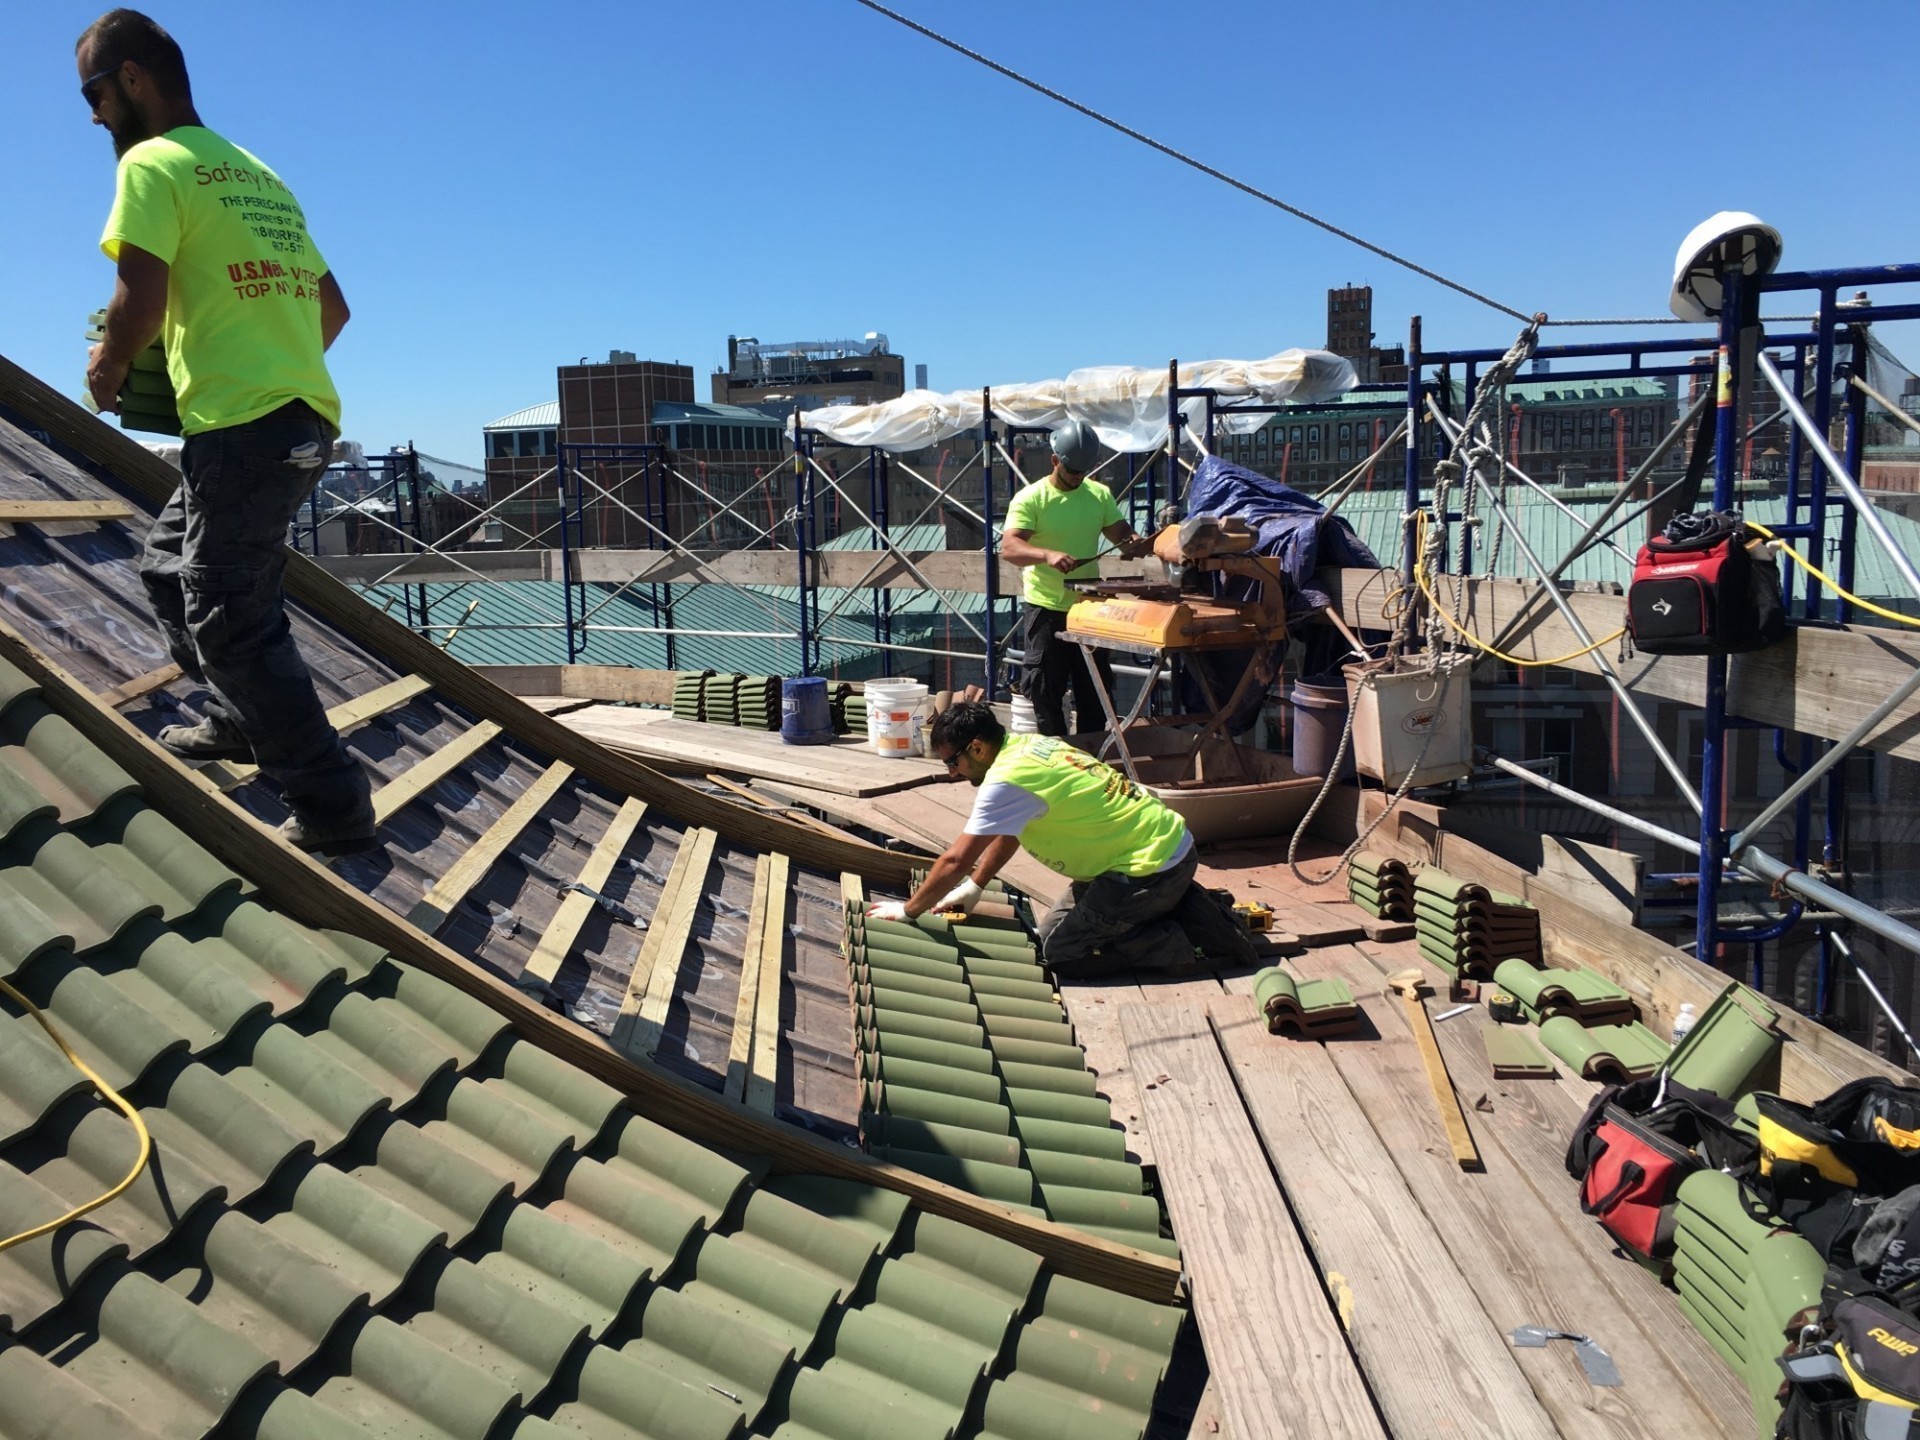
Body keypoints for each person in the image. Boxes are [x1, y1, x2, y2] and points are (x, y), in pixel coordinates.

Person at [78, 10, 375, 854]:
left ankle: (334, 808)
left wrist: (107, 370)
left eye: (93, 94)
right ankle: (237, 720)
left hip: (244, 428)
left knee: (229, 612)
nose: (93, 115)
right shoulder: (255, 173)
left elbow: (139, 295)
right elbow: (334, 309)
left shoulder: (153, 162)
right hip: (295, 417)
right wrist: (261, 359)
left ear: (133, 78)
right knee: (170, 568)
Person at [866, 702, 1257, 978]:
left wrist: (909, 912)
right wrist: (975, 885)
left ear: (978, 748)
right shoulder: (1030, 746)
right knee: (1048, 934)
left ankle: (1192, 938)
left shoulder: (1004, 781)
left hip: (1148, 870)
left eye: (953, 762)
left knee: (1064, 955)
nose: (952, 772)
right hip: (1154, 850)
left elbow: (954, 859)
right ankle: (1179, 903)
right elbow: (1011, 830)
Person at [1000, 419, 1151, 737]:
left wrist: (1136, 544)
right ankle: (1057, 760)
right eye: (1073, 472)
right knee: (1044, 692)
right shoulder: (1032, 498)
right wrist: (1047, 555)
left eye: (1084, 472)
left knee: (1095, 695)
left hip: (1087, 610)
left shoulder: (1098, 495)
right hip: (1046, 609)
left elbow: (1121, 534)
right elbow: (1011, 548)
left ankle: (1092, 758)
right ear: (1055, 460)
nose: (1078, 478)